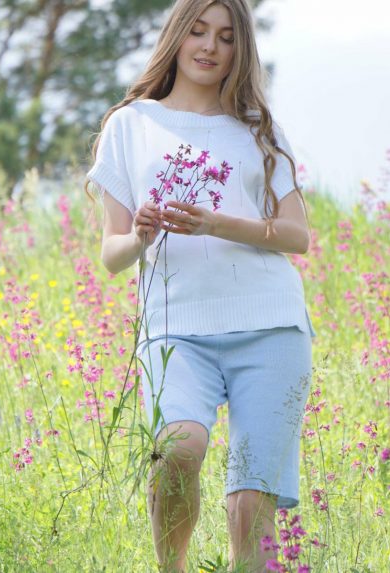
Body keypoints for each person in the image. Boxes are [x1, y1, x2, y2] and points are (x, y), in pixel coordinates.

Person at [85, 1, 317, 571]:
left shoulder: (258, 129)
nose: (210, 47)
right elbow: (112, 254)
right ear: (176, 37)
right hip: (175, 328)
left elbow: (297, 236)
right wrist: (140, 235)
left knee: (251, 498)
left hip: (270, 324)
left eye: (226, 37)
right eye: (198, 31)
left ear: (242, 50)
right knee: (178, 447)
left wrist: (217, 223)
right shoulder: (130, 125)